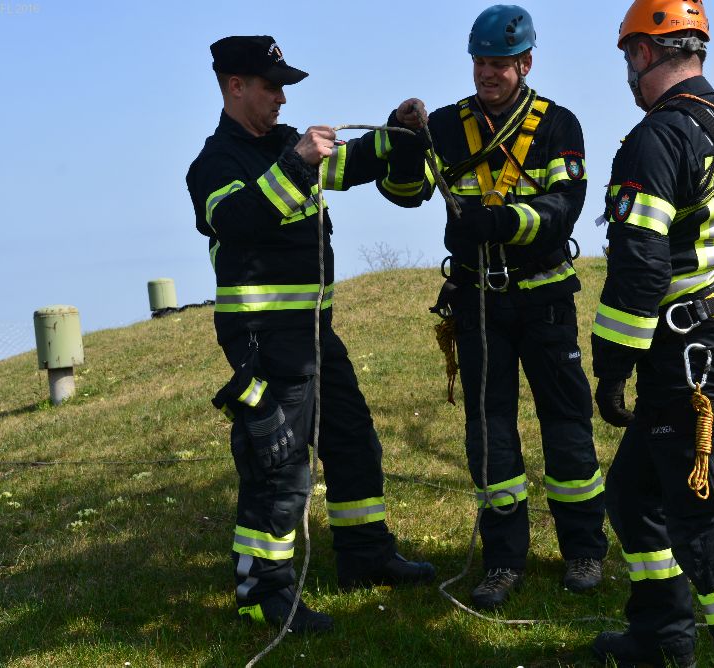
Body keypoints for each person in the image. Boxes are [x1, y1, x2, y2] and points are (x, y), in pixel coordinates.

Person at [185, 35, 435, 634]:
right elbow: (238, 220)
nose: (281, 98)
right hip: (263, 340)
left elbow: (359, 161)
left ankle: (365, 556)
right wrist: (297, 165)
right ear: (235, 86)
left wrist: (396, 129)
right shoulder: (214, 164)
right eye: (270, 87)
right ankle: (263, 593)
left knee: (352, 441)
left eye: (283, 88)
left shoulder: (284, 142)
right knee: (278, 465)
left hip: (315, 334)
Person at [385, 5, 607, 610]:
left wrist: (503, 222)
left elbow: (565, 206)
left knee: (567, 427)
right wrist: (403, 143)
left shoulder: (559, 124)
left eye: (499, 64)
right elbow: (405, 194)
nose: (487, 73)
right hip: (479, 303)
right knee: (490, 435)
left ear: (525, 63)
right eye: (480, 62)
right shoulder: (445, 126)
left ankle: (584, 551)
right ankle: (503, 561)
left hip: (545, 300)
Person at [590, 1, 714, 666]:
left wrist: (612, 365)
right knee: (634, 493)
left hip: (690, 356)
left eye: (629, 57)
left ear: (644, 52)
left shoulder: (658, 137)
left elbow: (642, 267)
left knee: (710, 535)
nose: (628, 72)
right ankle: (660, 638)